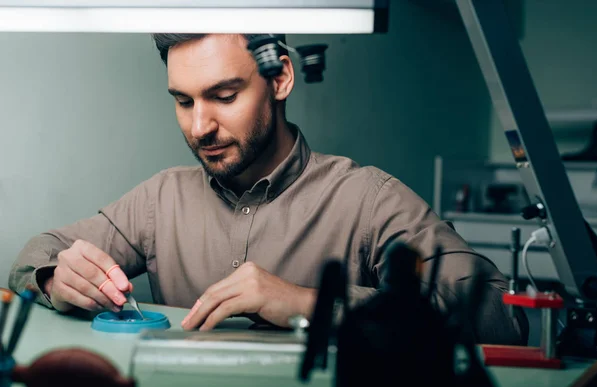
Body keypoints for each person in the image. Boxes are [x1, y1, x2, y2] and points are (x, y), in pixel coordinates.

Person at [9, 33, 527, 344]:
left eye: (224, 95)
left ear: (280, 79)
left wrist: (308, 302)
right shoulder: (159, 199)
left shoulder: (367, 199)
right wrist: (57, 278)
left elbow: (501, 312)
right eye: (184, 102)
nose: (199, 128)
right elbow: (36, 254)